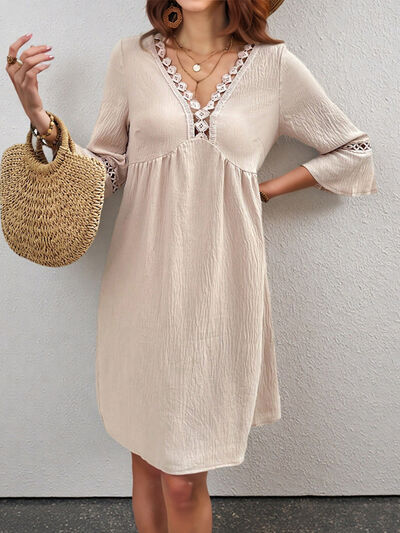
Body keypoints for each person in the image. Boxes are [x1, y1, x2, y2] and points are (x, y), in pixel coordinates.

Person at [6, 0, 377, 531]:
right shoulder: (131, 57)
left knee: (183, 480)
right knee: (145, 460)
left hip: (220, 288)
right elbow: (108, 171)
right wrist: (39, 117)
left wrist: (263, 191)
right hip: (140, 282)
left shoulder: (273, 66)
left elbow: (354, 150)